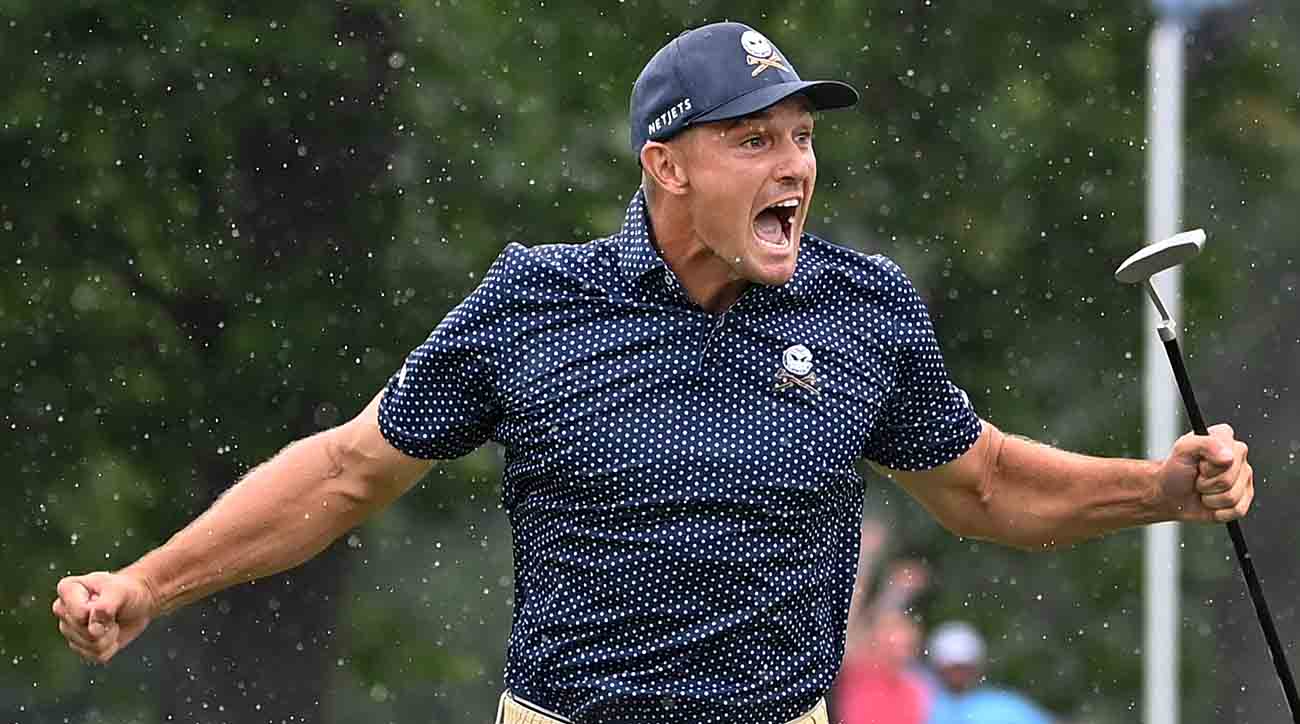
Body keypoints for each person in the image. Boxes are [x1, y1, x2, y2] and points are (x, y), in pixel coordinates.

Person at [51, 20, 1254, 724]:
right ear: (666, 166)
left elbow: (987, 487)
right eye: (754, 140)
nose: (794, 164)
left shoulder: (862, 308)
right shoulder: (534, 300)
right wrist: (152, 585)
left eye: (802, 137)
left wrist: (1158, 488)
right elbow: (345, 473)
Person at [832, 531, 934, 724]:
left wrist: (896, 592)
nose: (899, 650)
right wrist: (896, 592)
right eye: (893, 644)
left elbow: (860, 622)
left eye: (906, 645)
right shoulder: (858, 670)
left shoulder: (916, 687)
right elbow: (849, 620)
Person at [924, 621, 1055, 724]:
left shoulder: (1005, 706)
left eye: (964, 667)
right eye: (952, 668)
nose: (958, 674)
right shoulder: (923, 704)